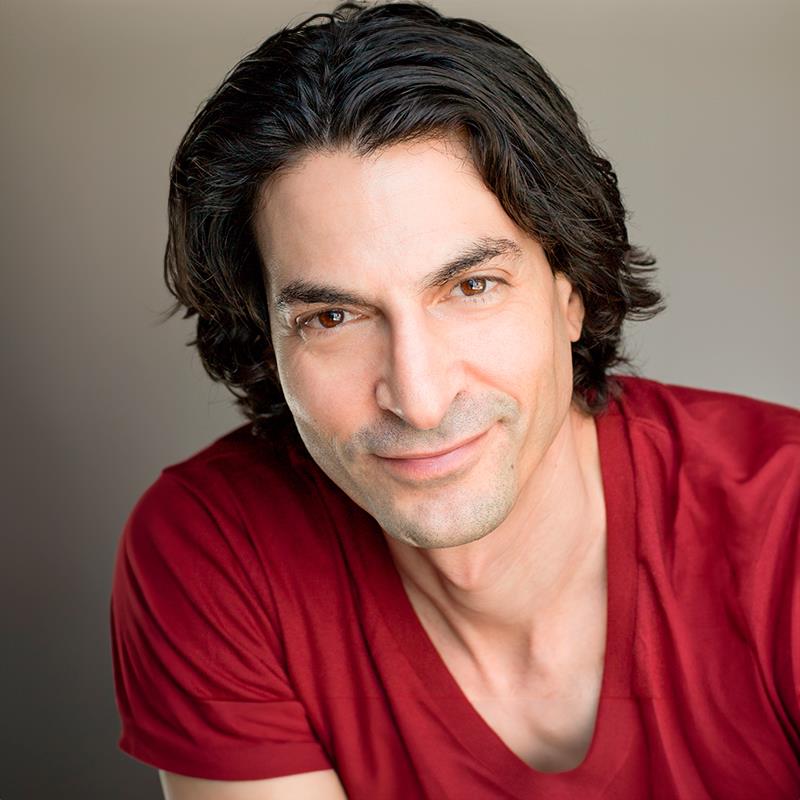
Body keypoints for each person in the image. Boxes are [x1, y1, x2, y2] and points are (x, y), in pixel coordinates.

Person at [110, 2, 800, 798]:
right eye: (333, 318)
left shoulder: (783, 522)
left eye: (473, 287)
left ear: (570, 292)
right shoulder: (218, 548)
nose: (421, 398)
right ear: (266, 342)